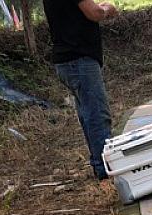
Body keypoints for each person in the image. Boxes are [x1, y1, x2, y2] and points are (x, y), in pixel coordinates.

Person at [42, 0, 118, 180]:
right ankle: (106, 168)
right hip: (79, 58)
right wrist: (108, 8)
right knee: (97, 115)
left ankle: (100, 164)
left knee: (88, 114)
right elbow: (94, 13)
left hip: (67, 59)